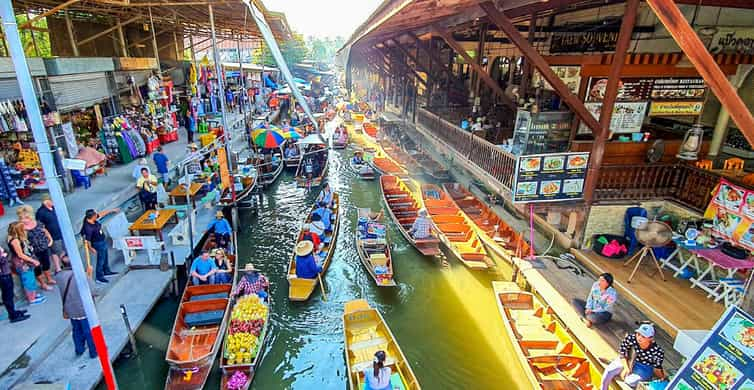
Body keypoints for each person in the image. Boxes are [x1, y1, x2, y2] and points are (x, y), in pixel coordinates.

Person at [600, 324, 666, 390]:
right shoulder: (630, 338)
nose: (639, 337)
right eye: (638, 334)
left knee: (630, 381)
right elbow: (622, 353)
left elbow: (657, 368)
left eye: (643, 336)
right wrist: (626, 368)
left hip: (644, 367)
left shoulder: (657, 351)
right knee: (609, 371)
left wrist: (663, 378)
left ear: (650, 338)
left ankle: (619, 370)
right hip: (628, 359)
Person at [54, 266, 97, 359]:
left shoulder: (59, 277)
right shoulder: (81, 276)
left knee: (76, 330)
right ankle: (93, 351)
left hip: (70, 309)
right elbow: (94, 291)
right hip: (83, 309)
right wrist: (89, 276)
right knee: (88, 331)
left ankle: (79, 349)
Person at [18, 205, 54, 290]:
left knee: (46, 264)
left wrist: (50, 240)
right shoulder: (20, 228)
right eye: (22, 218)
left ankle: (49, 279)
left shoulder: (37, 223)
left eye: (26, 218)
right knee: (37, 268)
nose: (24, 220)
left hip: (43, 247)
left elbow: (45, 231)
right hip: (33, 251)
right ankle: (43, 284)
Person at [8, 222, 44, 304]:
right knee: (28, 280)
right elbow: (20, 254)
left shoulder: (19, 237)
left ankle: (33, 295)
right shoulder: (15, 240)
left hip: (27, 261)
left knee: (31, 278)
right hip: (22, 263)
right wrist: (33, 261)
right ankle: (31, 299)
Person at [81, 208, 120, 284]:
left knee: (105, 256)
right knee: (100, 260)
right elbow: (87, 240)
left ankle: (106, 271)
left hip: (102, 241)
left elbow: (102, 214)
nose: (97, 215)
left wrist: (111, 210)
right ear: (92, 217)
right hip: (97, 243)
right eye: (96, 215)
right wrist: (91, 248)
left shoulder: (92, 219)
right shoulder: (88, 228)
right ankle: (99, 277)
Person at [36, 194, 68, 272]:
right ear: (46, 201)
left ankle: (61, 267)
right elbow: (40, 226)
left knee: (62, 250)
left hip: (61, 233)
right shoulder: (41, 212)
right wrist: (47, 236)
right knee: (57, 252)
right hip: (53, 235)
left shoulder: (54, 208)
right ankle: (60, 267)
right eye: (52, 200)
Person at [0, 245, 29, 322]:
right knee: (7, 296)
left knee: (9, 295)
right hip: (3, 275)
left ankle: (13, 312)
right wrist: (3, 255)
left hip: (6, 273)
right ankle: (12, 315)